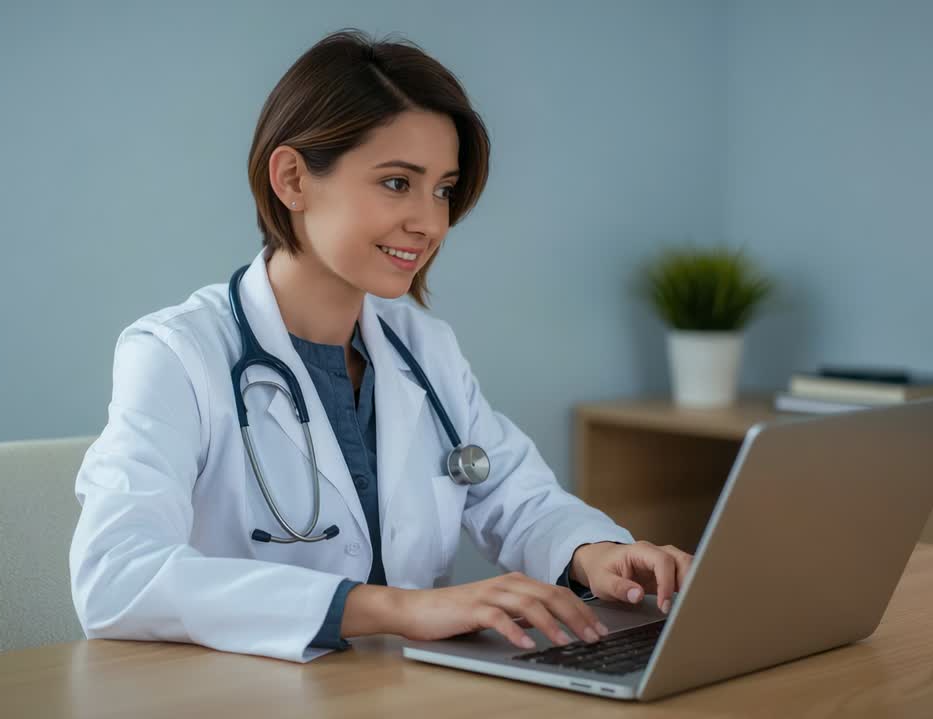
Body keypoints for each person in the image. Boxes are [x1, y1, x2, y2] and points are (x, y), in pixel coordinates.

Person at [69, 28, 695, 664]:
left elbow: (516, 497)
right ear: (291, 179)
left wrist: (598, 554)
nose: (429, 221)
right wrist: (398, 608)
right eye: (398, 182)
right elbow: (117, 576)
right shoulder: (177, 355)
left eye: (444, 189)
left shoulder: (425, 349)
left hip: (400, 693)